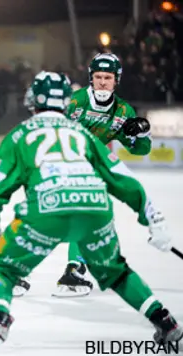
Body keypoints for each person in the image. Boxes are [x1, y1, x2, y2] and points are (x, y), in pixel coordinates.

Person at [0, 71, 180, 354]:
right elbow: (122, 179)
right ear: (65, 102)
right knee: (116, 273)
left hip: (47, 210)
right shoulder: (82, 133)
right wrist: (153, 219)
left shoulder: (19, 134)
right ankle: (166, 322)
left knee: (0, 269)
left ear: (31, 101)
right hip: (95, 208)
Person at [52, 53, 153, 298]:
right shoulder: (74, 102)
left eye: (108, 77)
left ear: (116, 80)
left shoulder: (123, 110)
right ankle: (75, 269)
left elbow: (141, 149)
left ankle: (78, 267)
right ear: (91, 79)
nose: (103, 83)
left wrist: (139, 134)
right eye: (98, 77)